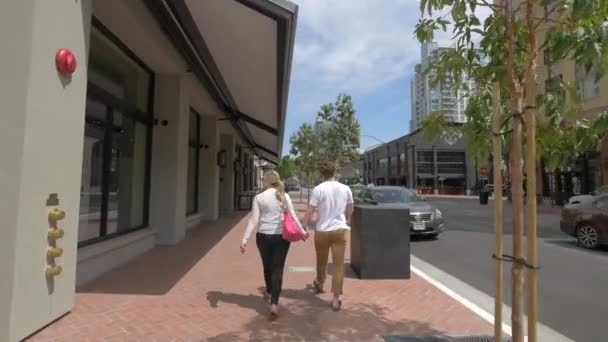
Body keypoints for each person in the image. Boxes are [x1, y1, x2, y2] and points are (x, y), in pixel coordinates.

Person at [240, 170, 307, 319]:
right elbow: (293, 216)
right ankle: (274, 303)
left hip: (263, 236)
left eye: (263, 179)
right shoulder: (284, 196)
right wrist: (302, 231)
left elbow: (254, 220)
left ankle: (269, 290)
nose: (262, 181)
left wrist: (245, 239)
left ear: (268, 181)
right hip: (281, 238)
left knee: (267, 266)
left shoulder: (259, 197)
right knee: (278, 269)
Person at [301, 160, 354, 311]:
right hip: (340, 230)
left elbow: (310, 211)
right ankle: (336, 298)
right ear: (335, 172)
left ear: (321, 173)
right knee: (338, 265)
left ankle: (321, 283)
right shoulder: (345, 188)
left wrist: (303, 227)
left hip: (322, 231)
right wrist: (347, 222)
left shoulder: (318, 189)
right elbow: (350, 210)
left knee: (321, 261)